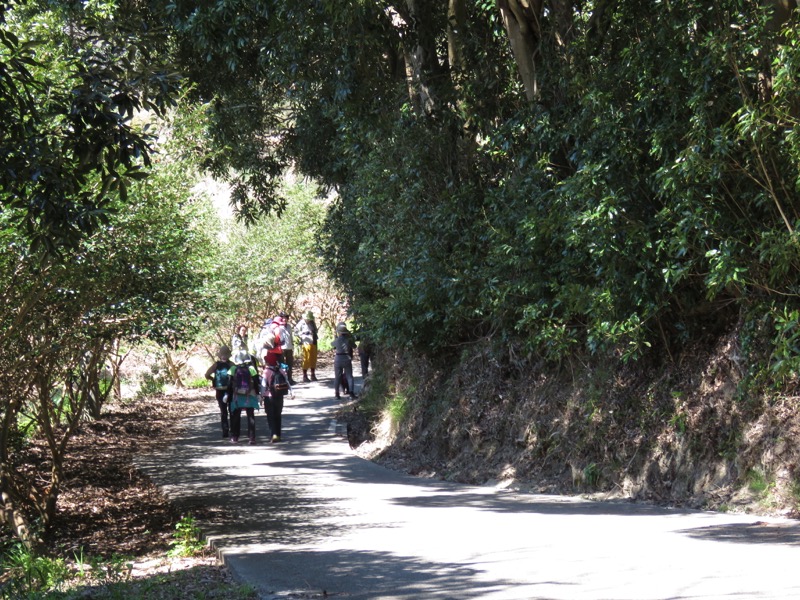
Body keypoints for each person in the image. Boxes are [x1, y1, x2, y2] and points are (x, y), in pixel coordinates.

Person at [228, 350, 260, 445]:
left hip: (237, 395)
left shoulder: (232, 368)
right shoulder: (251, 368)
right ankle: (252, 438)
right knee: (251, 417)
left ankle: (235, 436)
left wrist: (228, 395)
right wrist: (258, 394)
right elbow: (256, 381)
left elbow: (229, 383)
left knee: (235, 416)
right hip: (249, 395)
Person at [204, 345, 233, 438]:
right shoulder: (231, 364)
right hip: (230, 389)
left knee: (223, 411)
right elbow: (236, 375)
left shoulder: (216, 365)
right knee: (232, 409)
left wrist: (213, 379)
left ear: (220, 355)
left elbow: (207, 374)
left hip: (219, 390)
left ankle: (225, 430)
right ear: (228, 355)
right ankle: (233, 428)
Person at [261, 352, 289, 443]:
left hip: (269, 396)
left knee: (271, 416)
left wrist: (261, 396)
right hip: (279, 396)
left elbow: (263, 385)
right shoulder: (281, 370)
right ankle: (278, 434)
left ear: (268, 361)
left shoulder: (266, 371)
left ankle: (273, 434)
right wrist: (292, 392)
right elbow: (287, 381)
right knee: (278, 415)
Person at [331, 322, 357, 399]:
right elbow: (354, 346)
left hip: (338, 358)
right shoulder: (348, 340)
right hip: (346, 358)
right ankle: (351, 393)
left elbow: (332, 345)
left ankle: (337, 394)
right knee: (349, 376)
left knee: (337, 377)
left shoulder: (337, 340)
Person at [296, 311, 318, 382]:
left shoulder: (312, 322)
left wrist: (313, 333)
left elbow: (316, 330)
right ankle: (305, 376)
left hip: (313, 341)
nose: (308, 320)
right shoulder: (301, 323)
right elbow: (296, 331)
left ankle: (313, 374)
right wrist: (303, 334)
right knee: (307, 358)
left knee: (313, 358)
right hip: (306, 342)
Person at [278, 311, 298, 386]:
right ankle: (284, 379)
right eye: (283, 318)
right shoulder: (279, 327)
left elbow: (290, 336)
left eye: (285, 318)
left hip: (289, 347)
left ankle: (290, 378)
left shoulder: (289, 326)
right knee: (282, 364)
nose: (284, 319)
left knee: (290, 364)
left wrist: (292, 345)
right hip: (282, 348)